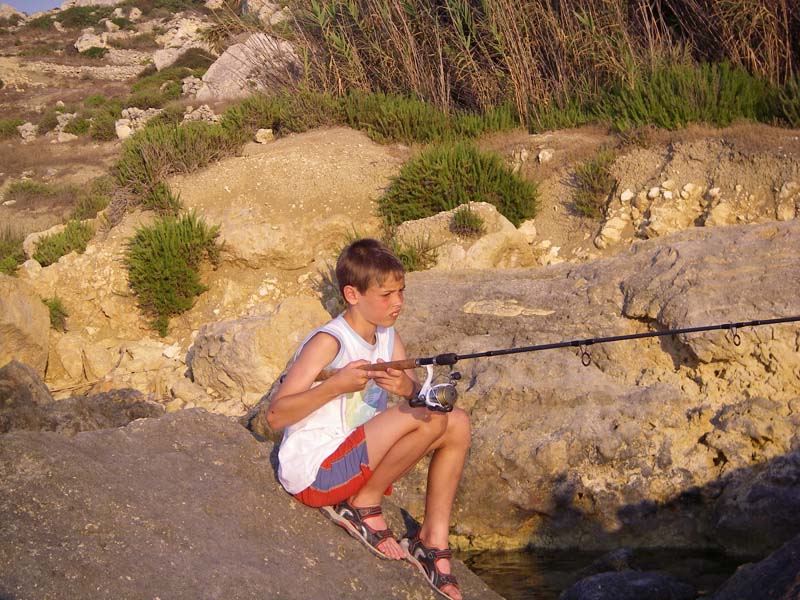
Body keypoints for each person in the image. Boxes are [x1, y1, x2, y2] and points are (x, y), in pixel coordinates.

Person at [267, 238, 471, 600]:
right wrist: (335, 386)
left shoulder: (387, 336)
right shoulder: (329, 342)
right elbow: (275, 416)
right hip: (317, 473)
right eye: (386, 295)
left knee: (456, 422)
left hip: (358, 460)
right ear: (352, 294)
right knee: (429, 416)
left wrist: (407, 387)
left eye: (401, 292)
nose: (398, 303)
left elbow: (420, 401)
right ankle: (361, 506)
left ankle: (431, 541)